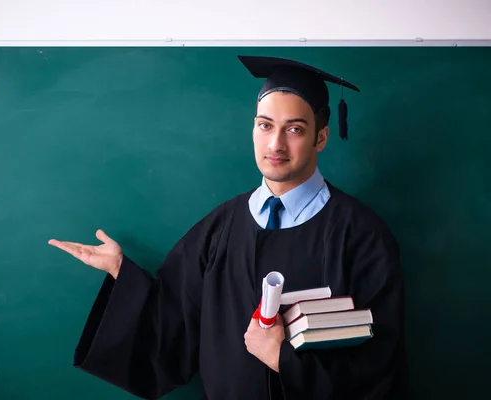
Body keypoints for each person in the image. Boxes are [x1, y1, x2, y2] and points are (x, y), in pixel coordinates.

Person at [49, 55, 408, 399]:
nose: (275, 144)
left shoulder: (363, 236)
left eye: (294, 129)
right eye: (265, 125)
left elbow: (376, 364)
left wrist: (282, 360)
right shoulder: (219, 228)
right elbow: (172, 326)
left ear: (321, 137)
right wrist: (119, 271)